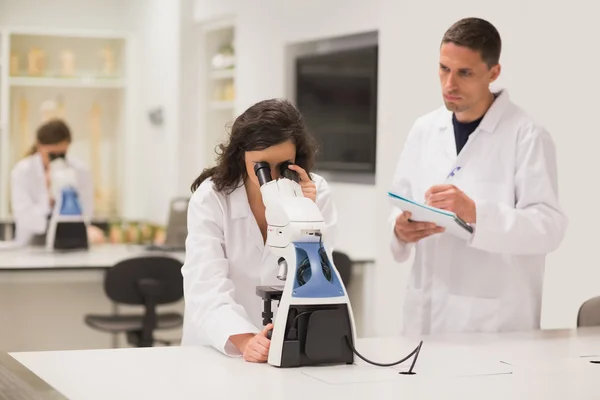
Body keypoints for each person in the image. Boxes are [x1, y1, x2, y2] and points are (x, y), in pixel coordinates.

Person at [389, 17, 568, 335]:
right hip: (423, 317)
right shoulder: (424, 130)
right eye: (444, 69)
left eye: (464, 73)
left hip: (492, 324)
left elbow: (548, 227)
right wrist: (400, 230)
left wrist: (476, 213)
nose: (449, 84)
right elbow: (400, 201)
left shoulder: (526, 135)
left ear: (493, 72)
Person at [181, 98, 337, 362]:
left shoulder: (315, 192)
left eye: (283, 166)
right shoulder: (212, 197)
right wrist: (245, 340)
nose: (273, 177)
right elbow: (205, 287)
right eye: (262, 166)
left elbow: (317, 280)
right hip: (221, 348)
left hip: (286, 345)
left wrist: (303, 215)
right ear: (240, 154)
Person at [10, 119, 94, 245]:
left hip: (70, 242)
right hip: (30, 244)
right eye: (52, 155)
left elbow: (86, 213)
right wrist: (49, 196)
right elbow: (25, 218)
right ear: (39, 147)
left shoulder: (81, 171)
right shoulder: (22, 171)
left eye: (62, 154)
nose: (57, 159)